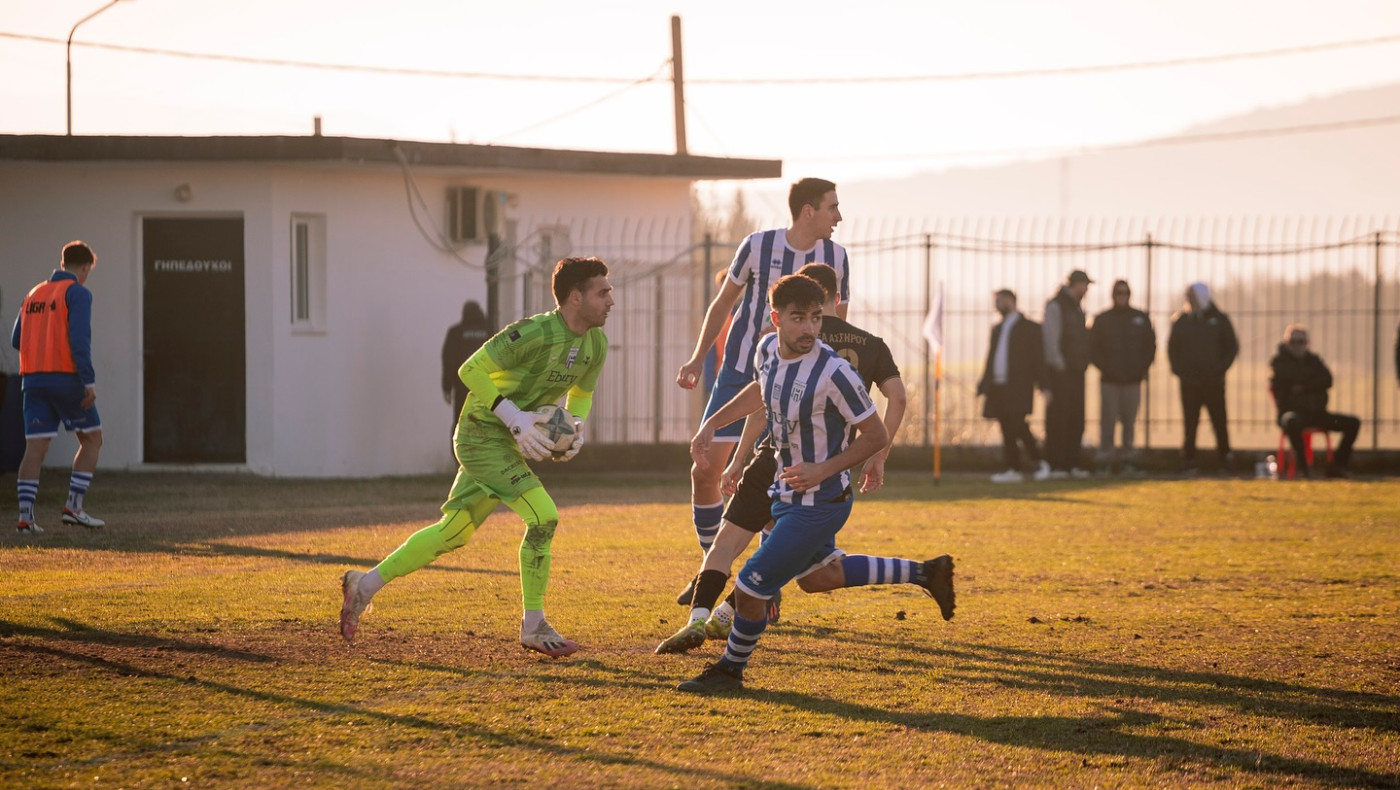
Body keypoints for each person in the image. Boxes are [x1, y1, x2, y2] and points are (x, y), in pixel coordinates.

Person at [656, 264, 951, 656]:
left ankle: (730, 656)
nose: (810, 327)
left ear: (825, 305)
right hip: (777, 468)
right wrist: (714, 425)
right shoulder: (772, 349)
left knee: (759, 575)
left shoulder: (833, 370)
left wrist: (833, 466)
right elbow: (763, 393)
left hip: (818, 488)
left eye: (814, 317)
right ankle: (926, 571)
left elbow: (876, 428)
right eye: (799, 318)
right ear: (779, 317)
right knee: (814, 575)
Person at [339, 257, 614, 657]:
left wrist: (576, 426)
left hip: (506, 443)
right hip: (481, 435)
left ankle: (362, 586)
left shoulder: (596, 344)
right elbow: (470, 370)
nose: (611, 301)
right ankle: (534, 626)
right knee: (543, 517)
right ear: (576, 297)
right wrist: (514, 418)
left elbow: (582, 394)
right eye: (602, 293)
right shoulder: (534, 333)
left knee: (453, 533)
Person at [673, 178, 849, 602]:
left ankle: (758, 589)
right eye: (832, 208)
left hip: (798, 382)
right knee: (704, 470)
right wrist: (697, 358)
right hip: (739, 372)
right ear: (808, 211)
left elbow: (838, 323)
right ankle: (710, 568)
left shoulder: (836, 256)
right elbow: (722, 303)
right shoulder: (756, 245)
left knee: (775, 481)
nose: (839, 217)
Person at [10, 241, 106, 534]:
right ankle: (73, 508)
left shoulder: (33, 293)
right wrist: (88, 381)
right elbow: (79, 340)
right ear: (85, 268)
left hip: (32, 381)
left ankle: (25, 519)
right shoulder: (77, 293)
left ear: (62, 264)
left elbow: (16, 339)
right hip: (66, 379)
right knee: (92, 439)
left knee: (35, 448)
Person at [977, 289, 1049, 483]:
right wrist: (983, 384)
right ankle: (1012, 468)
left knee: (1018, 424)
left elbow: (1038, 359)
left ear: (1011, 300)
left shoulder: (1030, 328)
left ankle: (1039, 461)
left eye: (1000, 301)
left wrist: (1044, 385)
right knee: (1006, 427)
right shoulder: (997, 329)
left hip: (1018, 386)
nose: (997, 305)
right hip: (998, 386)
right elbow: (991, 358)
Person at [1269, 324, 1360, 478]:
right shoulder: (1278, 363)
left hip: (1317, 413)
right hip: (1292, 413)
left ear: (1307, 343)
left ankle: (1337, 466)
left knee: (1353, 423)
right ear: (1286, 343)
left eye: (1301, 341)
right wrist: (1312, 383)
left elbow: (1328, 380)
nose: (1297, 345)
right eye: (1293, 342)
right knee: (1291, 421)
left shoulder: (1314, 360)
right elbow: (1289, 378)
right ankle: (1305, 469)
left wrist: (1302, 386)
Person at [1167, 282, 1237, 476]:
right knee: (1190, 423)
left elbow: (1231, 347)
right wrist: (1180, 371)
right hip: (1189, 383)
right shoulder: (1182, 321)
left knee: (1219, 421)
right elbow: (1173, 349)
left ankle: (1225, 458)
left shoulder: (1220, 320)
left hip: (1213, 383)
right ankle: (1188, 460)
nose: (1189, 300)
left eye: (1192, 297)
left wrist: (1218, 370)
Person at [1089, 279, 1156, 476]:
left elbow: (1150, 346)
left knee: (1129, 422)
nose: (1122, 296)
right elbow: (1093, 348)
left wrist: (1140, 370)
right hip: (1109, 380)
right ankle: (1105, 460)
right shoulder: (1103, 319)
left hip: (1133, 380)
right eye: (1119, 292)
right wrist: (1107, 369)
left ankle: (1128, 460)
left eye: (1125, 292)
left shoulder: (1140, 318)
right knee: (1107, 422)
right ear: (1113, 295)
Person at [1041, 270, 1093, 478]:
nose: (1086, 289)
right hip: (1061, 373)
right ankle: (1057, 464)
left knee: (1076, 418)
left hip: (1076, 370)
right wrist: (1060, 366)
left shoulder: (1076, 307)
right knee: (1059, 419)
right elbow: (1050, 340)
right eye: (1085, 285)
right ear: (1076, 284)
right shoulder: (1056, 305)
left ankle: (1072, 463)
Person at [441, 300, 491, 433]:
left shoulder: (456, 332)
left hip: (462, 386)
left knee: (461, 422)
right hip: (486, 386)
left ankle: (460, 446)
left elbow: (449, 360)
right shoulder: (490, 331)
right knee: (484, 422)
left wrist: (447, 387)